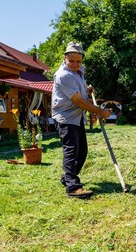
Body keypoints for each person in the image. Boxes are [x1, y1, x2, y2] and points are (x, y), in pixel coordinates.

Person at [52, 42, 111, 199]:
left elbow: (78, 92)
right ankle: (72, 187)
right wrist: (100, 111)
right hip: (66, 117)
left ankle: (67, 177)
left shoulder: (79, 71)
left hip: (76, 117)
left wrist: (86, 90)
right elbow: (77, 100)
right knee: (71, 150)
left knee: (82, 151)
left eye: (78, 61)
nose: (75, 64)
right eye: (71, 60)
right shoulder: (63, 75)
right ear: (65, 58)